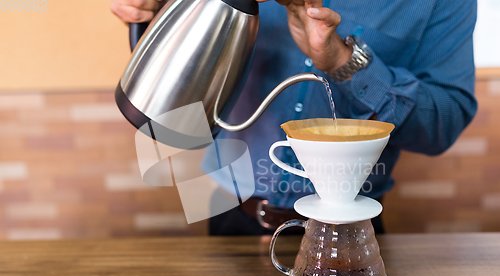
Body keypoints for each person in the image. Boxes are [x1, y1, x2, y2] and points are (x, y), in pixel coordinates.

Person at [111, 0, 478, 235]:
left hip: (349, 231)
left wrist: (343, 62)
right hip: (231, 214)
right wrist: (154, 11)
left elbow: (444, 124)